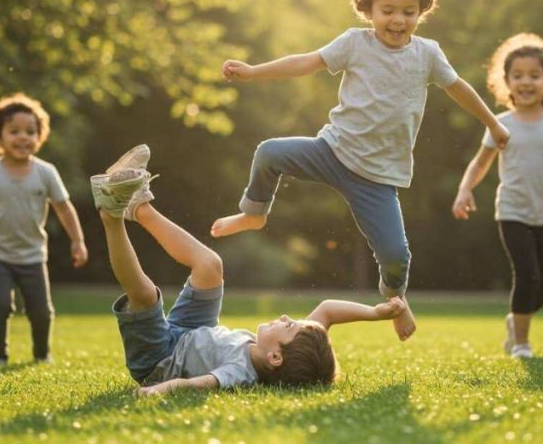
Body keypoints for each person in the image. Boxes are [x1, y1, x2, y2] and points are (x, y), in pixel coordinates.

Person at [210, 0, 510, 341]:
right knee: (269, 152)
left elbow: (459, 89)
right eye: (388, 10)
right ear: (368, 8)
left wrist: (493, 124)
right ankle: (253, 213)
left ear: (422, 10)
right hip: (331, 151)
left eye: (409, 10)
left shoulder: (427, 54)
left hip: (377, 178)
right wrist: (253, 72)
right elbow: (306, 62)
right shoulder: (354, 43)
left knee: (396, 257)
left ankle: (396, 301)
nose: (398, 20)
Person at [90, 145, 405, 395]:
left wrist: (158, 390)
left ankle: (112, 215)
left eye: (288, 326)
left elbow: (196, 384)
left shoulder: (240, 373)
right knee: (211, 266)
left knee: (144, 295)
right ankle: (138, 203)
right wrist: (377, 313)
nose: (286, 317)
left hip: (162, 357)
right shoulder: (285, 347)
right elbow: (327, 310)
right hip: (194, 329)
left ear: (275, 358)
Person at [452, 34, 543, 359]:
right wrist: (464, 189)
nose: (526, 82)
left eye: (534, 75)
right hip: (512, 211)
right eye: (518, 75)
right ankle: (521, 344)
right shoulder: (500, 123)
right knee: (527, 274)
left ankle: (516, 321)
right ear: (507, 82)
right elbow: (481, 161)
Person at [0, 93, 87, 365]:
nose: (23, 137)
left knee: (40, 311)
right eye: (14, 131)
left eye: (30, 131)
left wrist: (78, 241)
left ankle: (41, 354)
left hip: (33, 255)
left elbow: (64, 208)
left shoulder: (46, 172)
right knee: (0, 306)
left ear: (40, 136)